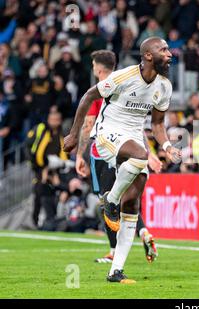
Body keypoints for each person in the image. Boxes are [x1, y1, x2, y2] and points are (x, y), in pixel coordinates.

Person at [64, 37, 181, 284]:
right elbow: (88, 96)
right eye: (164, 50)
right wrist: (74, 134)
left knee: (133, 206)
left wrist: (168, 146)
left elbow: (157, 124)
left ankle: (115, 271)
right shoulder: (124, 77)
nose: (169, 54)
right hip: (107, 133)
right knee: (141, 157)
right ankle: (111, 199)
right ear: (148, 55)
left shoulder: (164, 86)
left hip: (133, 138)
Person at [74, 49, 161, 264]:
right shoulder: (128, 83)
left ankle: (113, 251)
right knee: (123, 197)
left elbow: (88, 125)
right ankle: (142, 232)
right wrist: (147, 153)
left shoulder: (102, 88)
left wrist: (79, 155)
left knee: (107, 200)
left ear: (98, 67)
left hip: (103, 150)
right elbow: (134, 125)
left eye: (94, 65)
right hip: (127, 148)